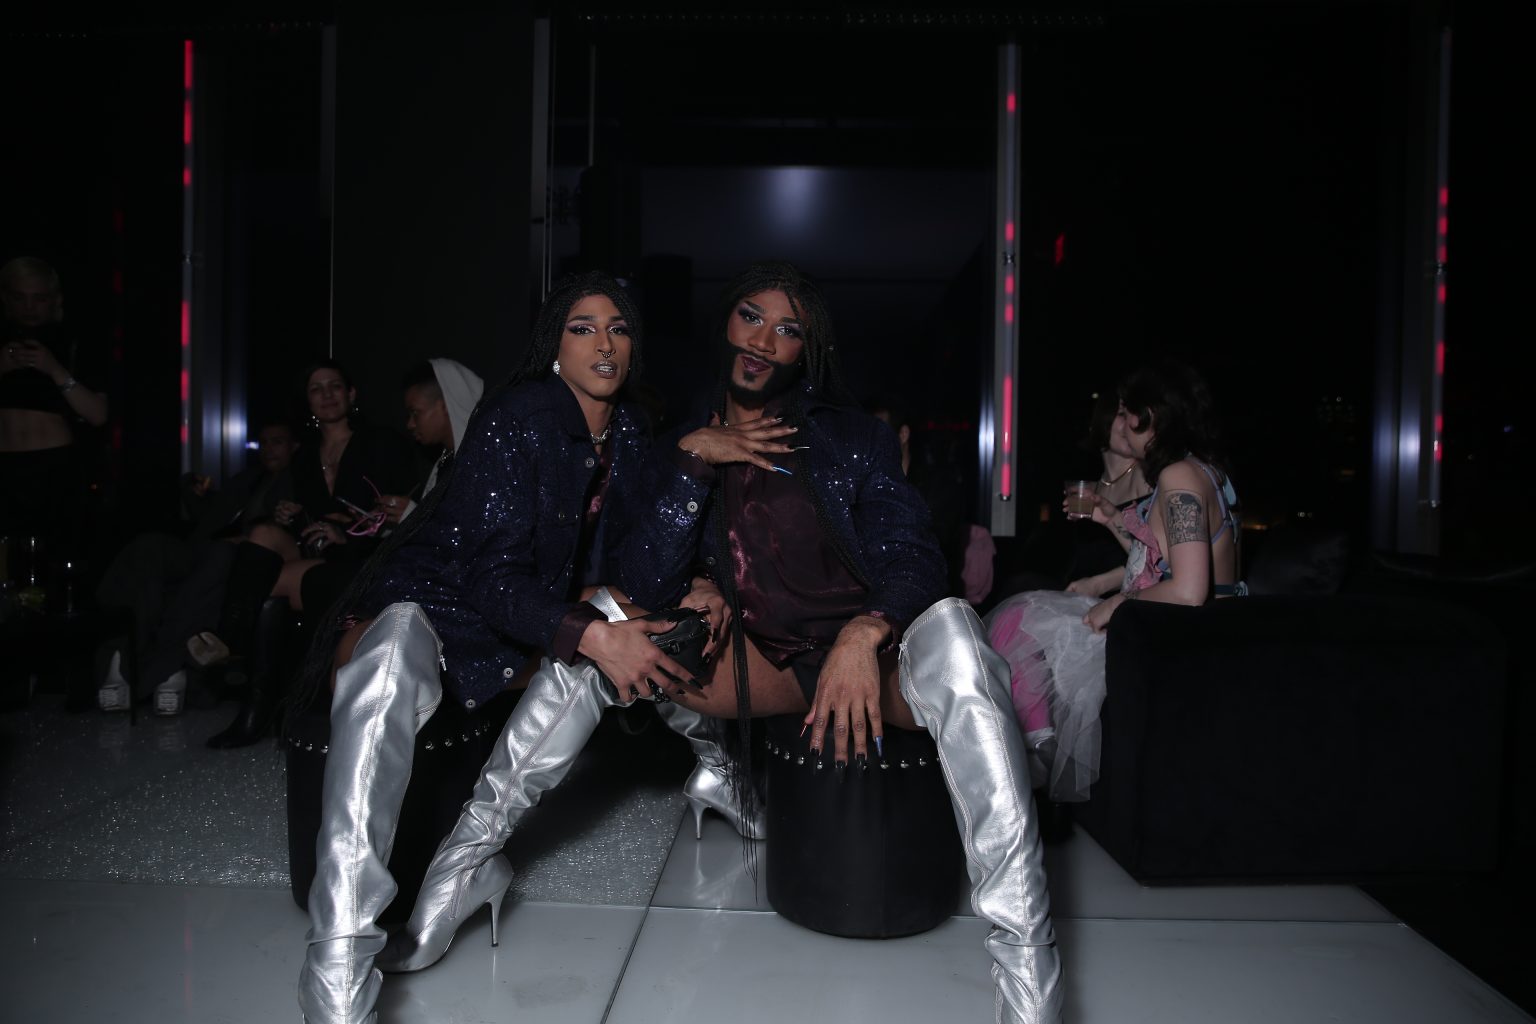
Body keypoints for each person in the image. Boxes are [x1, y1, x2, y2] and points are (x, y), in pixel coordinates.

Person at [379, 262, 1063, 1024]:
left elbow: (914, 555)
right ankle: (466, 864)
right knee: (605, 629)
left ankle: (1026, 971)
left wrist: (865, 632)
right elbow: (643, 578)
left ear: (806, 350)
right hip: (764, 662)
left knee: (960, 635)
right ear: (726, 326)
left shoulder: (850, 436)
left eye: (787, 329)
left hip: (875, 663)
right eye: (751, 317)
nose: (764, 340)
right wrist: (694, 467)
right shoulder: (677, 443)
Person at [293, 272, 709, 1024]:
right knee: (389, 666)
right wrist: (588, 630)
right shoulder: (516, 416)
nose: (604, 343)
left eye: (618, 328)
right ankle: (340, 955)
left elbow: (642, 575)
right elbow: (485, 575)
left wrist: (694, 467)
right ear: (554, 345)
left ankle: (469, 864)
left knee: (623, 627)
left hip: (517, 621)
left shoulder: (629, 432)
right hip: (434, 602)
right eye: (583, 327)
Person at [986, 361, 1244, 803]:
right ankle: (1037, 745)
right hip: (1180, 625)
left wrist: (1117, 603)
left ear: (1154, 416)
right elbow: (1155, 563)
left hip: (1178, 636)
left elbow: (1188, 591)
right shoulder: (1204, 470)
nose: (1121, 424)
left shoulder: (1178, 477)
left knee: (1020, 617)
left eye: (1127, 414)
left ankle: (1039, 748)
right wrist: (1110, 519)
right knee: (1025, 611)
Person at [202, 359, 480, 747]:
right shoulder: (304, 456)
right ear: (307, 400)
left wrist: (351, 528)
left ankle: (260, 692)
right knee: (264, 538)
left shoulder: (385, 444)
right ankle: (248, 672)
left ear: (351, 394)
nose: (327, 395)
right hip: (324, 548)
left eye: (334, 386)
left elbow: (407, 522)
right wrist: (297, 517)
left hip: (365, 552)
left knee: (275, 580)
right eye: (316, 389)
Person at [93, 419, 299, 711]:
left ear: (294, 447)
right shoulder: (247, 479)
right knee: (149, 546)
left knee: (220, 558)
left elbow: (291, 532)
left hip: (247, 557)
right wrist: (192, 492)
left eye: (277, 442)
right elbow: (212, 518)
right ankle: (120, 654)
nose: (268, 449)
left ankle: (151, 671)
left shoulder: (299, 481)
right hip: (204, 549)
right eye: (263, 443)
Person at [0, 256, 109, 562]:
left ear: (54, 299)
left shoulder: (73, 340)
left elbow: (98, 414)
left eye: (39, 298)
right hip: (5, 468)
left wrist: (54, 369)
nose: (29, 307)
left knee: (58, 560)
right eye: (19, 298)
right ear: (6, 298)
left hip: (54, 469)